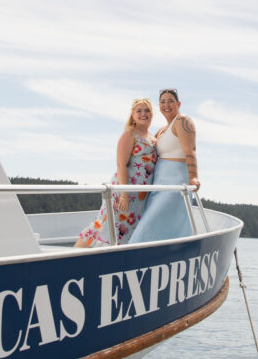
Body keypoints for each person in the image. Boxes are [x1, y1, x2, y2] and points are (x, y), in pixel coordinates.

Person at [74, 99, 157, 247]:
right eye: (139, 111)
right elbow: (120, 164)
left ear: (152, 114)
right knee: (104, 224)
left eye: (147, 110)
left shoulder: (153, 138)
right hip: (124, 191)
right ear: (132, 115)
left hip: (139, 197)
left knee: (125, 230)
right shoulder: (130, 134)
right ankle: (72, 255)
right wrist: (124, 193)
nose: (143, 114)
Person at [128, 88, 199, 244]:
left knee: (151, 223)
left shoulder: (182, 121)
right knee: (151, 222)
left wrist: (193, 177)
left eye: (170, 101)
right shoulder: (161, 131)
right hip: (158, 185)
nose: (166, 104)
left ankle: (134, 252)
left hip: (175, 183)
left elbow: (190, 150)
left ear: (178, 104)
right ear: (159, 106)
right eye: (162, 101)